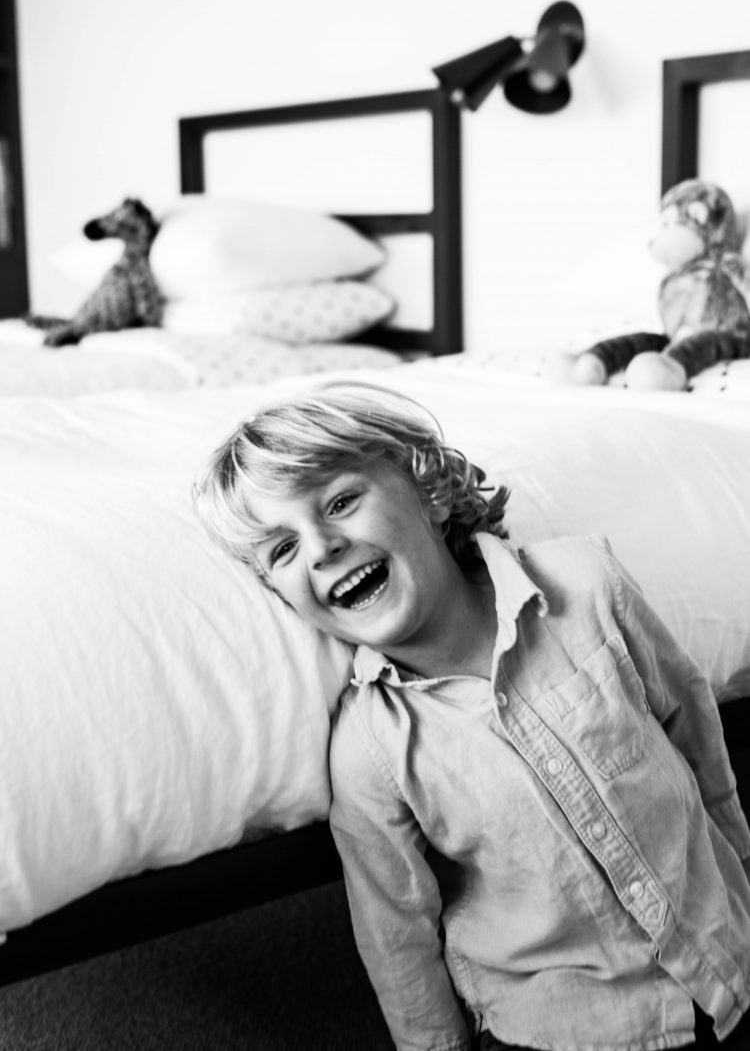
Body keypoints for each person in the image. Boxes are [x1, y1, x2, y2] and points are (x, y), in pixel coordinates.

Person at [192, 381, 750, 1051]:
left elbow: (688, 718)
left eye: (340, 501)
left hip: (729, 965)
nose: (321, 547)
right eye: (283, 549)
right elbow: (397, 937)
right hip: (565, 1029)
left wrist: (738, 862)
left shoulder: (586, 582)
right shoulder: (372, 749)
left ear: (426, 489)